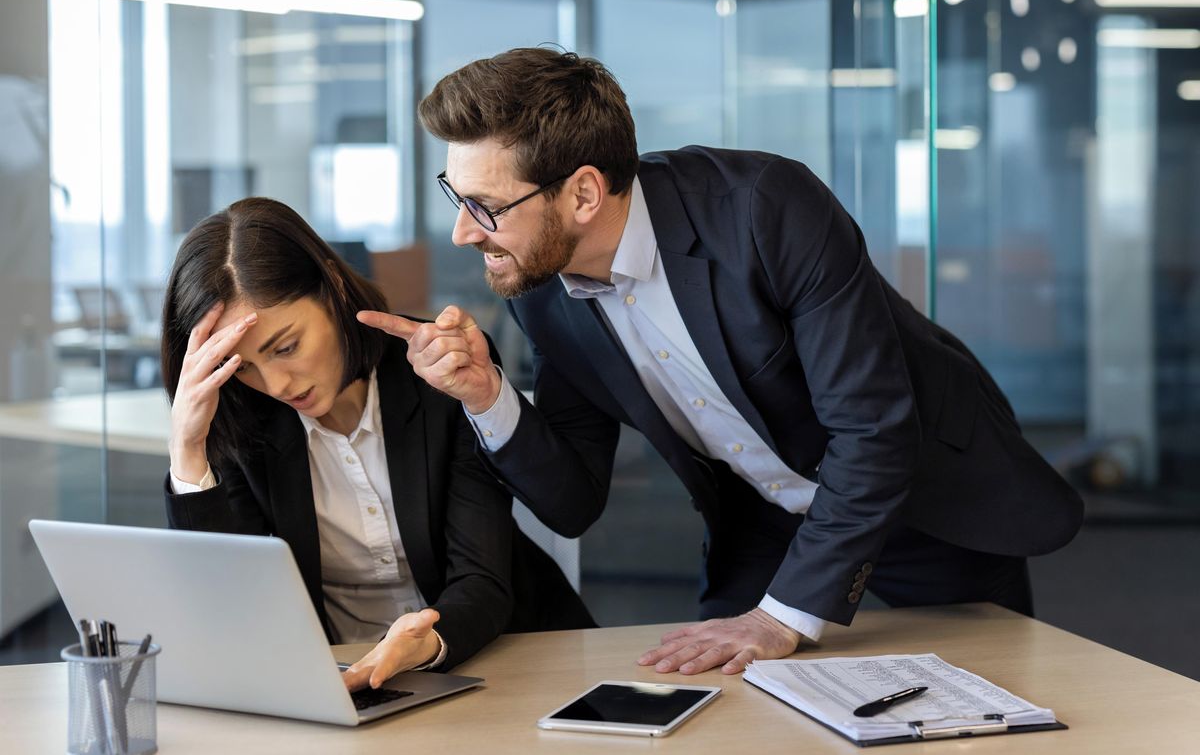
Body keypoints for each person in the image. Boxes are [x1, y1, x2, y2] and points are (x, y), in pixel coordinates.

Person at [359, 47, 1085, 677]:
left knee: (982, 712)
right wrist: (488, 396)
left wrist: (783, 616)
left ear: (582, 192)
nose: (460, 233)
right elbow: (574, 502)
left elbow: (873, 432)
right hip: (762, 518)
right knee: (711, 694)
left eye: (483, 205)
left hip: (921, 493)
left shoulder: (765, 209)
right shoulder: (542, 293)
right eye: (455, 196)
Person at [160, 196, 592, 691]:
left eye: (286, 347)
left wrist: (425, 644)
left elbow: (482, 580)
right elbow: (231, 608)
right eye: (245, 367)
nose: (277, 384)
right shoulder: (238, 417)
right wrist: (187, 449)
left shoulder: (435, 372)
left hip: (495, 662)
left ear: (333, 286)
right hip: (333, 683)